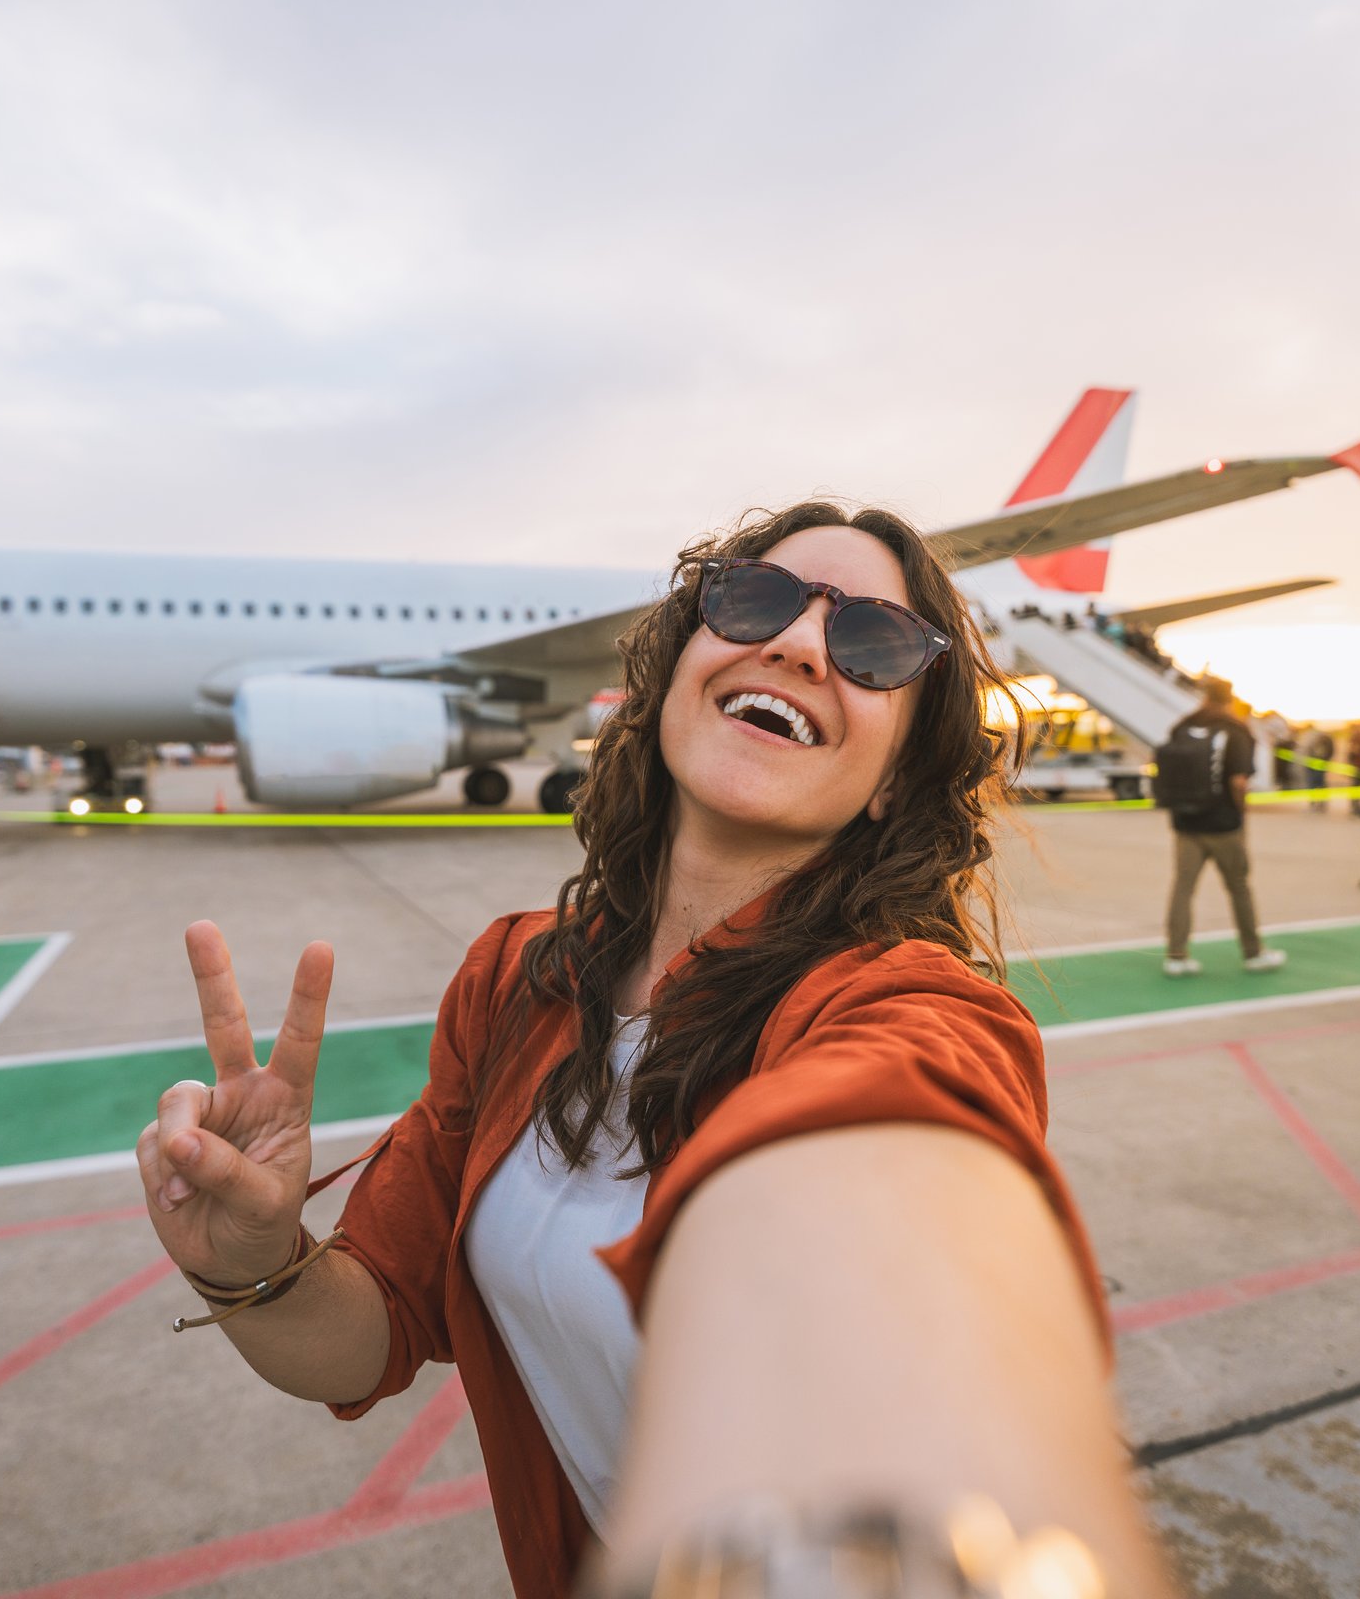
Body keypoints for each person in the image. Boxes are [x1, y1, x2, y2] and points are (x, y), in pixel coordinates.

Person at [134, 504, 1177, 1599]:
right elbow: (365, 1335)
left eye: (872, 645)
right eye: (757, 600)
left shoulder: (906, 1006)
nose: (800, 644)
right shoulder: (516, 976)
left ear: (893, 784)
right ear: (673, 672)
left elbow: (888, 1175)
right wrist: (249, 1257)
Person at [1153, 678, 1286, 978]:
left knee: (1183, 888)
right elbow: (1239, 781)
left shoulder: (1182, 727)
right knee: (1238, 887)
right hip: (1223, 824)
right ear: (1230, 698)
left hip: (1185, 822)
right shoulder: (1235, 730)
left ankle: (1176, 955)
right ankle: (1253, 953)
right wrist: (1240, 811)